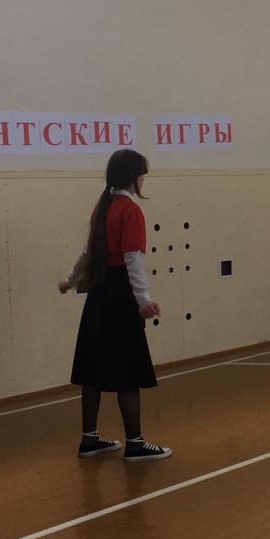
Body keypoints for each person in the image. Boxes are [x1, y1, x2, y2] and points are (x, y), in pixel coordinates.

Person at [58, 149, 171, 462]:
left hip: (99, 294)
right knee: (128, 371)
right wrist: (143, 300)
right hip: (121, 296)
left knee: (93, 370)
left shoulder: (103, 206)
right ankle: (135, 444)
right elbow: (133, 259)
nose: (144, 179)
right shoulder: (129, 210)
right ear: (133, 177)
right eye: (143, 174)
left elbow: (88, 251)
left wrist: (70, 280)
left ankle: (90, 440)